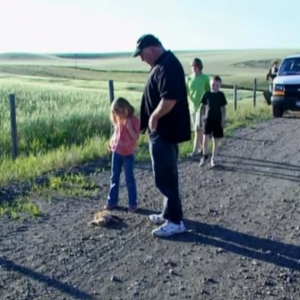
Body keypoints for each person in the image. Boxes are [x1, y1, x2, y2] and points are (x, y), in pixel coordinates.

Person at [132, 34, 191, 237]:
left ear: (151, 48)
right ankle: (169, 213)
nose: (142, 59)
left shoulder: (168, 65)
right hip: (162, 130)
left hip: (165, 130)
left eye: (142, 54)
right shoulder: (162, 64)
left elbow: (170, 98)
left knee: (165, 175)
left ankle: (175, 221)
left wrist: (155, 116)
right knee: (166, 173)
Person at [104, 97, 140, 212]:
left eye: (119, 111)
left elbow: (135, 138)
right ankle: (112, 201)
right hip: (117, 152)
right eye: (115, 112)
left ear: (126, 108)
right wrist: (111, 142)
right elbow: (116, 132)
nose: (117, 114)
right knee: (114, 177)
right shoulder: (118, 119)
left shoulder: (134, 120)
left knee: (129, 179)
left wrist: (129, 126)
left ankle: (132, 203)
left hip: (128, 154)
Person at [199, 75, 227, 167]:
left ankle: (214, 158)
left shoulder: (221, 95)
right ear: (210, 84)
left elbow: (223, 108)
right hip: (207, 120)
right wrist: (200, 118)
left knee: (216, 140)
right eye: (213, 85)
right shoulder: (206, 94)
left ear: (220, 86)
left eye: (217, 85)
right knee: (205, 138)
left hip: (217, 120)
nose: (215, 87)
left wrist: (223, 119)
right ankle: (205, 156)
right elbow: (202, 107)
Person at [186, 58, 210, 157]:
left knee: (197, 129)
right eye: (192, 66)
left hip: (202, 107)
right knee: (198, 129)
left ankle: (195, 151)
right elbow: (186, 92)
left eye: (196, 66)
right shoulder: (188, 79)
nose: (194, 68)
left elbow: (209, 92)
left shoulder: (205, 78)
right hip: (192, 107)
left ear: (200, 67)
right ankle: (202, 149)